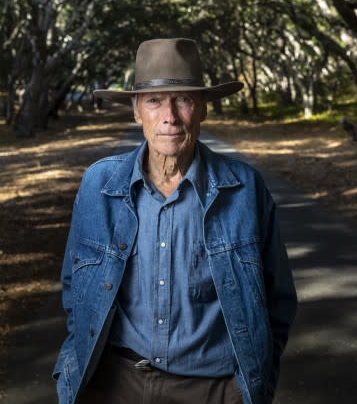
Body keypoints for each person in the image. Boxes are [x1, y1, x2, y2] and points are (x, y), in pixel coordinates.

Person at [53, 38, 297, 404]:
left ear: (202, 110)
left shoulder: (245, 189)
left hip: (215, 388)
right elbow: (75, 285)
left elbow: (278, 299)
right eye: (154, 101)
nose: (169, 115)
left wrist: (254, 383)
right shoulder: (98, 185)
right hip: (117, 383)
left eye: (183, 99)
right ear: (137, 111)